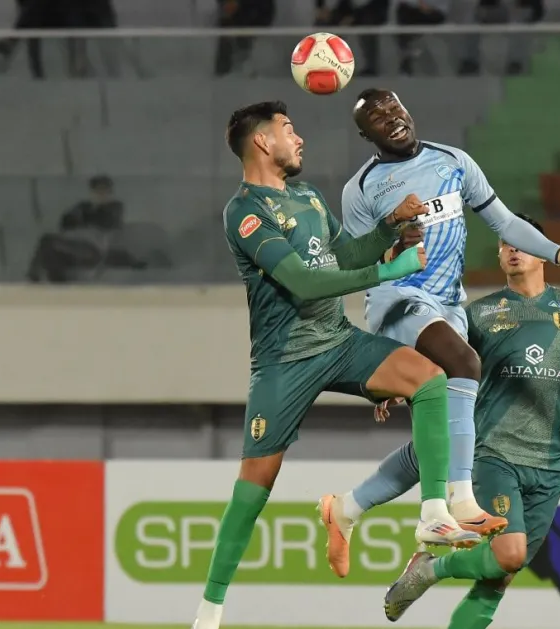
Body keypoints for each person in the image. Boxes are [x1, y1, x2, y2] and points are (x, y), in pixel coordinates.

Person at [191, 100, 480, 629]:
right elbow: (304, 281)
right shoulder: (245, 212)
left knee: (430, 379)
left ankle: (434, 514)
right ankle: (209, 612)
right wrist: (388, 270)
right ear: (262, 142)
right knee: (254, 488)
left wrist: (390, 229)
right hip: (285, 361)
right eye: (288, 129)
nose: (299, 138)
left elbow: (345, 256)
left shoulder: (308, 197)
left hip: (338, 340)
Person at [317, 88, 560, 579]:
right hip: (398, 299)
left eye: (394, 108)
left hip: (448, 303)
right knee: (465, 364)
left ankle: (346, 509)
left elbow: (504, 222)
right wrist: (390, 243)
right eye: (377, 118)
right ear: (365, 135)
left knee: (440, 429)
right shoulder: (363, 188)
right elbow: (354, 262)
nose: (391, 119)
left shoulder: (453, 161)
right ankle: (452, 504)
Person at [382, 214, 560, 625]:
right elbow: (437, 363)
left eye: (521, 242)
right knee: (510, 554)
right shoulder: (478, 314)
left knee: (499, 577)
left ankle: (428, 570)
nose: (512, 249)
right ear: (499, 256)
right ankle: (431, 570)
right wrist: (395, 383)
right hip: (495, 455)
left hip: (551, 465)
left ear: (543, 252)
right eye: (504, 244)